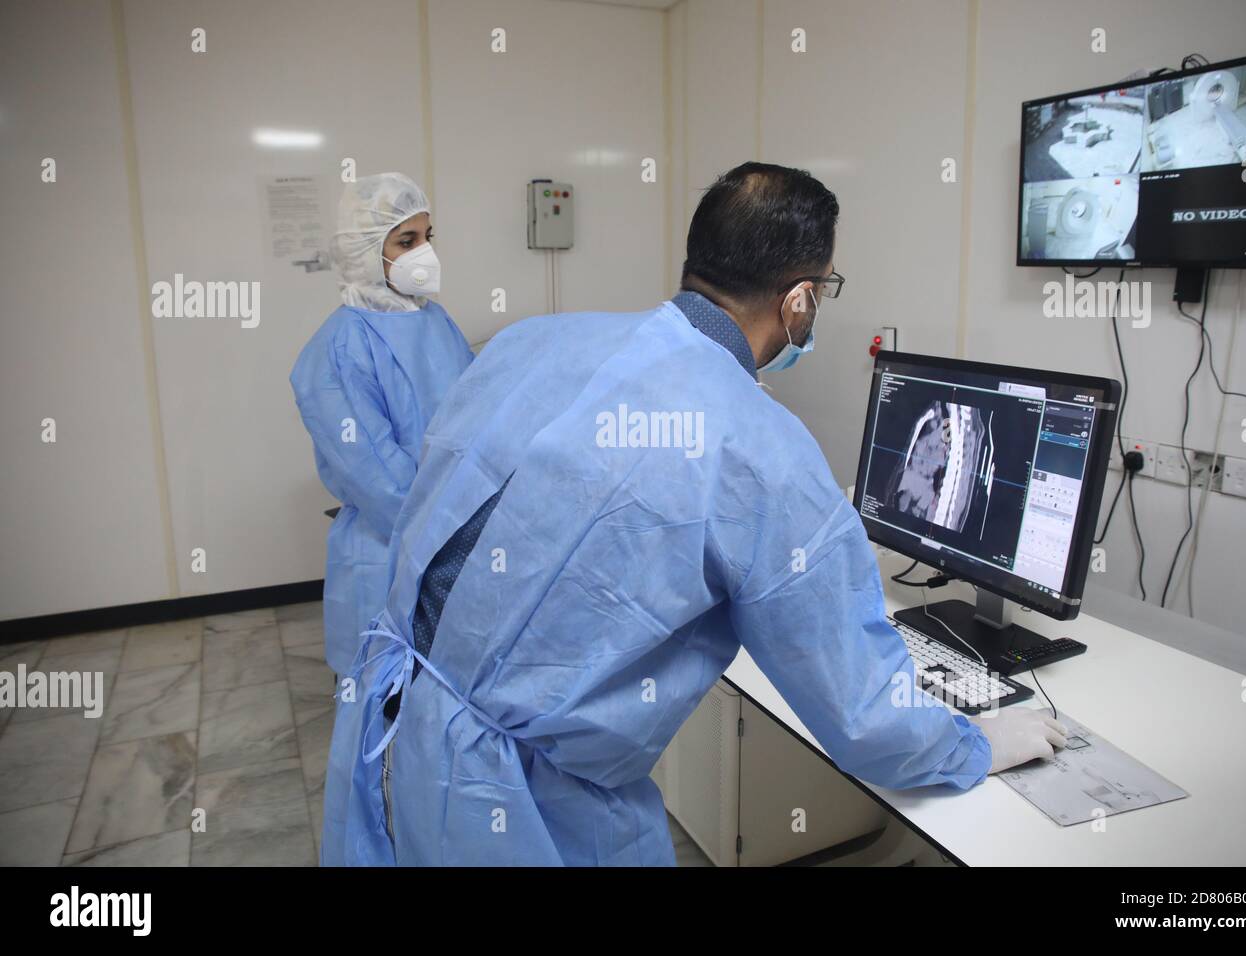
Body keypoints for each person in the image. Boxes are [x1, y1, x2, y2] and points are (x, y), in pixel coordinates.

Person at [321, 162, 1065, 866]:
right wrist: (979, 743)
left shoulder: (532, 340)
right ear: (800, 298)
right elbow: (865, 711)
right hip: (520, 806)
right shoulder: (763, 451)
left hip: (394, 721)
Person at [291, 173, 473, 676]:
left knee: (443, 696)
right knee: (388, 695)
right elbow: (374, 473)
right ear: (367, 251)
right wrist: (442, 531)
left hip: (452, 535)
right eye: (407, 241)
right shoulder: (341, 345)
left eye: (427, 238)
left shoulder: (435, 320)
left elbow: (472, 415)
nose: (424, 254)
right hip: (392, 545)